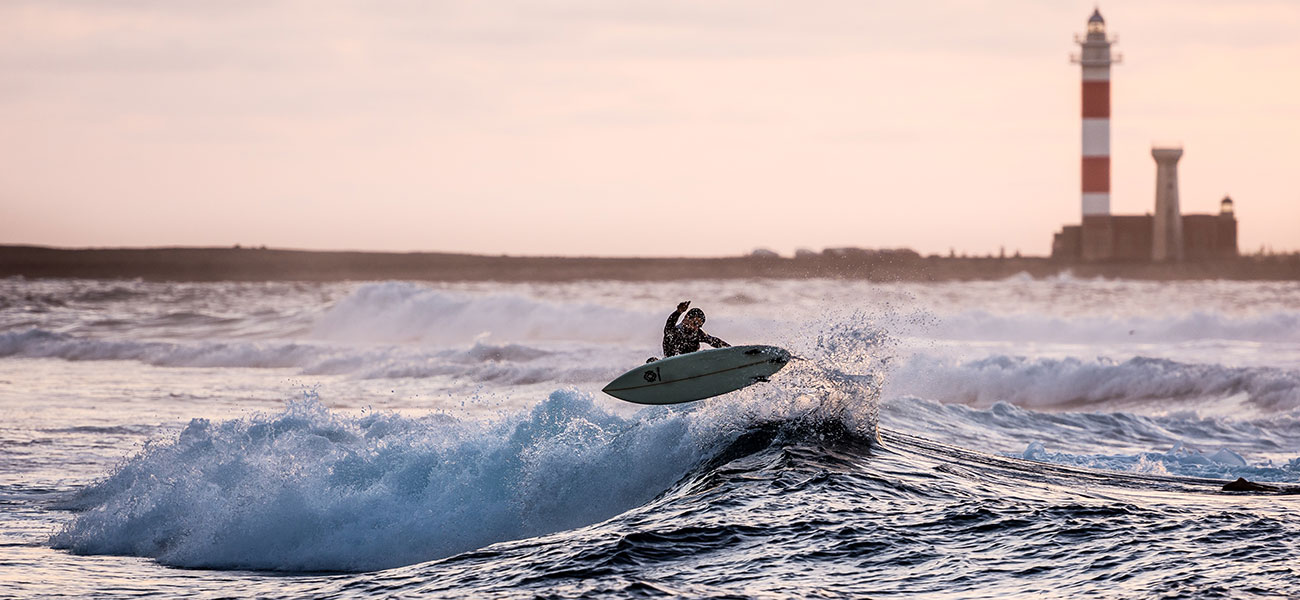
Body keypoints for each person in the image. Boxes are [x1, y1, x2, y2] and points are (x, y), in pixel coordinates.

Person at [661, 300, 730, 358]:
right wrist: (678, 312)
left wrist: (731, 349)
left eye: (699, 326)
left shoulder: (697, 334)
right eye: (695, 323)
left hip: (690, 364)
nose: (696, 327)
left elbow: (715, 341)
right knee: (652, 360)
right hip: (669, 362)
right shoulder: (673, 331)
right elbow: (669, 323)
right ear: (686, 318)